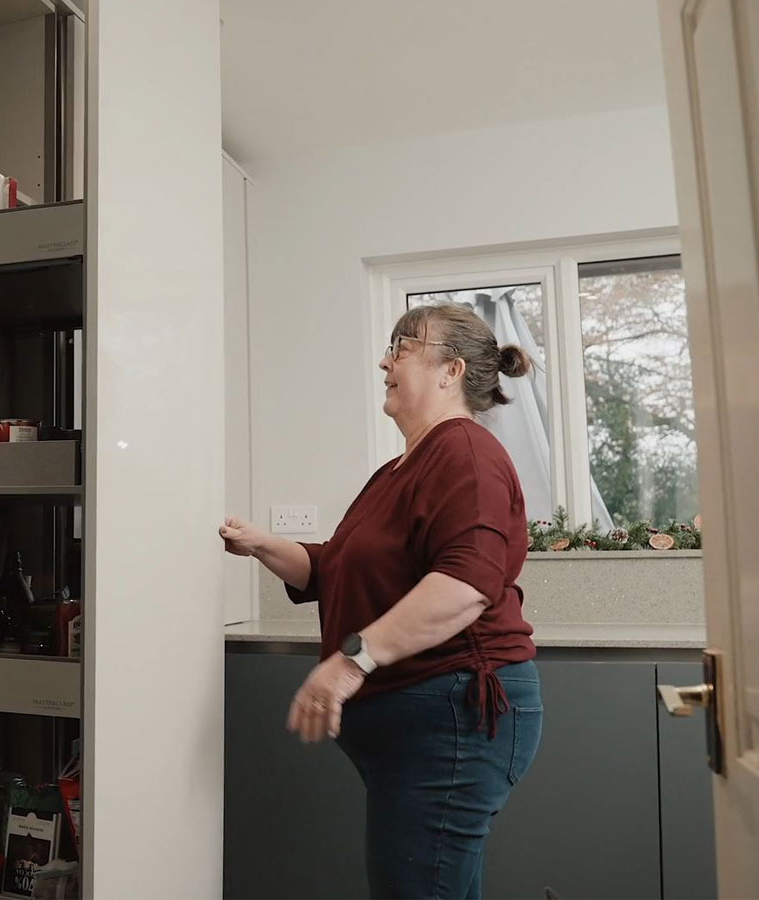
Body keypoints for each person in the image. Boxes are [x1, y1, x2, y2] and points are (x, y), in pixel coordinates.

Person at [220, 303, 542, 899]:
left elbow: (466, 586)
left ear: (448, 370)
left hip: (457, 716)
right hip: (421, 727)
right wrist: (265, 544)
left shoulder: (465, 453)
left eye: (402, 347)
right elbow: (333, 567)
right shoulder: (399, 470)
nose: (384, 360)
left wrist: (349, 663)